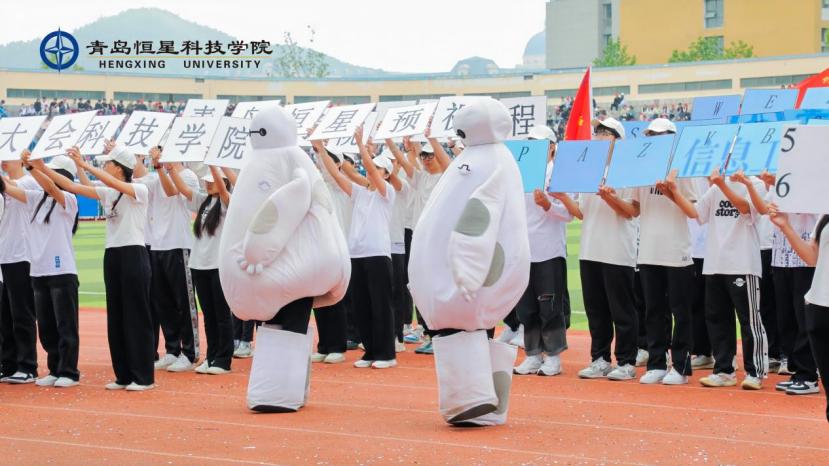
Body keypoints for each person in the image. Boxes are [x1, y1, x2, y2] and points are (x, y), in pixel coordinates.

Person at [218, 106, 350, 412]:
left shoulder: (276, 162)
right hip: (296, 266)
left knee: (284, 325)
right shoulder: (287, 160)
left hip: (280, 264)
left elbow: (287, 203)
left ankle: (277, 392)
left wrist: (257, 250)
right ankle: (285, 391)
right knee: (288, 324)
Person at [409, 98, 530, 426]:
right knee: (472, 328)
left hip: (470, 272)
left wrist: (467, 266)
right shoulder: (481, 159)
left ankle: (471, 400)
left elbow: (480, 214)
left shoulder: (487, 161)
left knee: (465, 327)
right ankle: (487, 402)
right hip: (463, 272)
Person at [47, 145, 155, 391]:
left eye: (108, 163)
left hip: (133, 253)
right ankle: (124, 375)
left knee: (136, 316)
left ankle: (144, 376)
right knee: (116, 316)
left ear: (119, 168)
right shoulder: (110, 192)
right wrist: (41, 168)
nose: (104, 166)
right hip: (113, 254)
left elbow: (109, 183)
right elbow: (75, 186)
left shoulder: (139, 189)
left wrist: (85, 165)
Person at [663, 168, 768, 389]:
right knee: (717, 318)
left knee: (749, 320)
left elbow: (745, 208)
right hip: (715, 263)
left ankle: (755, 371)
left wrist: (721, 184)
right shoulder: (714, 188)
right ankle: (723, 370)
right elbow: (695, 213)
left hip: (742, 263)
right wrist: (673, 192)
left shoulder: (754, 183)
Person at [553, 117, 640, 381]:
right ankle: (599, 358)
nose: (600, 135)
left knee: (622, 310)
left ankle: (626, 361)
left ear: (618, 139)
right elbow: (581, 212)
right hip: (590, 250)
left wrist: (611, 198)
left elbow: (632, 212)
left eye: (606, 132)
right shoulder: (587, 169)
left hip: (617, 250)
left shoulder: (629, 170)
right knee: (596, 310)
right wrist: (563, 197)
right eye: (598, 131)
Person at [734, 171, 819, 394]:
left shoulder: (813, 180)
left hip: (804, 256)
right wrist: (752, 185)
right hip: (780, 255)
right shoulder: (783, 182)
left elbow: (806, 208)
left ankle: (808, 374)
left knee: (803, 318)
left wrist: (781, 183)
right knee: (786, 317)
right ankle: (795, 369)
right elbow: (764, 209)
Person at [321, 126, 398, 369]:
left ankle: (387, 354)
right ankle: (370, 351)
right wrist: (320, 147)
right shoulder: (360, 193)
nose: (374, 170)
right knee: (362, 305)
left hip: (378, 255)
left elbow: (370, 172)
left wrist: (360, 145)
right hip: (357, 254)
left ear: (386, 174)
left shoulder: (387, 193)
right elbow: (336, 174)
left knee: (380, 306)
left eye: (379, 168)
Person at [3, 153, 80, 387]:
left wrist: (36, 167)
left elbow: (52, 187)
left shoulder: (67, 197)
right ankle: (55, 368)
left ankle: (69, 371)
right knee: (47, 326)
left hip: (61, 269)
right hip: (38, 269)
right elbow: (8, 188)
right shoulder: (37, 198)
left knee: (65, 325)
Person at [632, 118, 696, 385]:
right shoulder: (641, 169)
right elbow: (635, 207)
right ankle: (657, 362)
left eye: (660, 136)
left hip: (676, 249)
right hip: (648, 249)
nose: (655, 139)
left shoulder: (683, 169)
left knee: (681, 311)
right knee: (654, 310)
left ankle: (680, 366)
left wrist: (671, 192)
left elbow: (692, 209)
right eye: (651, 135)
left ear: (672, 139)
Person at [513, 125, 571, 377]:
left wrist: (548, 204)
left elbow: (569, 213)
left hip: (548, 250)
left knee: (550, 306)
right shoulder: (518, 174)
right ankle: (533, 354)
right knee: (527, 307)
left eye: (539, 144)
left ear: (551, 147)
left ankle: (553, 356)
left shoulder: (558, 174)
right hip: (524, 250)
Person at [168, 163, 236, 375]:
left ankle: (223, 360)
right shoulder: (203, 201)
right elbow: (184, 190)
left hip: (219, 265)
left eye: (211, 180)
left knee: (222, 314)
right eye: (206, 180)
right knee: (208, 314)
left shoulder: (228, 202)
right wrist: (170, 169)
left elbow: (224, 191)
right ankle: (212, 356)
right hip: (199, 265)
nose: (207, 183)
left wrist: (216, 166)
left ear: (222, 181)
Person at [767, 210, 828, 421]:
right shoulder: (825, 216)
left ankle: (806, 375)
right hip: (820, 304)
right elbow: (812, 257)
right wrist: (785, 226)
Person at [393, 131, 450, 355]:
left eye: (430, 155)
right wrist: (392, 141)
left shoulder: (446, 177)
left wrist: (433, 141)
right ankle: (429, 333)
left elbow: (447, 163)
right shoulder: (421, 177)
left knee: (437, 286)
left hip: (437, 239)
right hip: (418, 238)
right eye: (423, 156)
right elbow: (405, 162)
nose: (426, 159)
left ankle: (440, 334)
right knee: (419, 286)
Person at [146, 151, 200, 373]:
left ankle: (190, 351)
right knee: (163, 302)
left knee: (183, 302)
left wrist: (163, 168)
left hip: (179, 244)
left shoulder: (187, 175)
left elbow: (171, 191)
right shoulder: (154, 177)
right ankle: (172, 349)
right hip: (157, 245)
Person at [0, 159, 39, 384]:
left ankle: (28, 365)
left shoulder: (30, 182)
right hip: (5, 255)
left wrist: (4, 183)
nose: (4, 161)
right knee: (5, 314)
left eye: (7, 157)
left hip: (22, 254)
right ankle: (9, 363)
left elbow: (12, 188)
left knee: (22, 313)